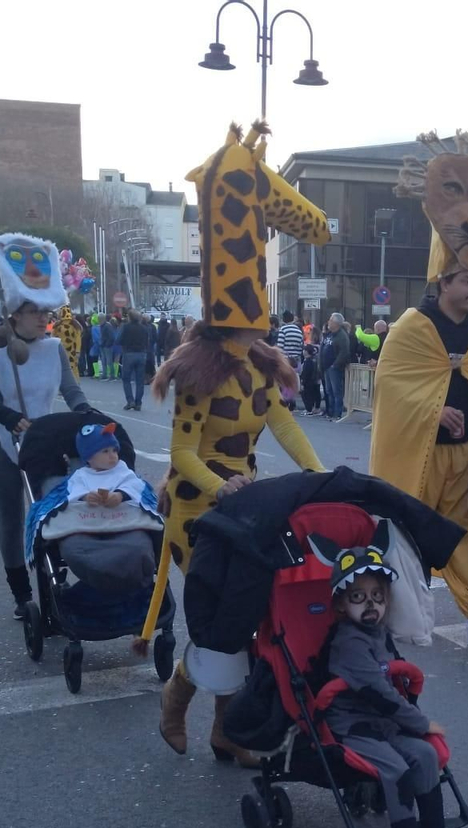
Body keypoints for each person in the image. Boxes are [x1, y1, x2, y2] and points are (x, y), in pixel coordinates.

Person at [144, 122, 328, 763]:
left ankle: (225, 729)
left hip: (243, 501)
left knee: (250, 616)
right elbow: (181, 456)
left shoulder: (262, 364)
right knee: (224, 618)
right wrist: (222, 488)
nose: (259, 327)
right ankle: (179, 694)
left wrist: (317, 474)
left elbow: (283, 424)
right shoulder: (199, 369)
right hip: (199, 506)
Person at [370, 129, 468, 641]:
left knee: (463, 534)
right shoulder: (412, 327)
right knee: (405, 531)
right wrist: (431, 411)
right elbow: (391, 387)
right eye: (467, 282)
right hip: (418, 455)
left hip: (462, 456)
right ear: (443, 282)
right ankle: (386, 612)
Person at [307, 524, 468, 828]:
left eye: (378, 597)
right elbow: (377, 692)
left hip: (382, 722)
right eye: (359, 597)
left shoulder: (379, 633)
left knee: (427, 755)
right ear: (341, 605)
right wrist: (420, 723)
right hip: (352, 724)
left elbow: (390, 683)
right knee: (396, 770)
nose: (371, 605)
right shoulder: (348, 643)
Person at [0, 233, 90, 617]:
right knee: (13, 520)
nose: (45, 318)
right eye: (35, 311)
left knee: (52, 512)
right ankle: (22, 595)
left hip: (43, 441)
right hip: (3, 442)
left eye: (47, 311)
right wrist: (4, 414)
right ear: (14, 312)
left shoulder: (54, 349)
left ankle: (55, 581)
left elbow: (72, 391)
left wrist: (86, 412)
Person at [56, 421, 159, 595]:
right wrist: (85, 497)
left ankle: (135, 581)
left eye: (114, 450)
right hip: (88, 526)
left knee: (140, 547)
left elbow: (136, 486)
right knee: (75, 550)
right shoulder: (81, 475)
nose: (113, 456)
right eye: (105, 451)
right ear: (89, 457)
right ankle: (100, 583)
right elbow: (71, 493)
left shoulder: (122, 470)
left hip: (123, 523)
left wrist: (120, 495)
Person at [320, 312, 352, 419]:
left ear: (336, 323)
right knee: (329, 391)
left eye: (331, 320)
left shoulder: (342, 336)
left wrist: (335, 365)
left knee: (336, 391)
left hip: (334, 368)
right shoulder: (329, 334)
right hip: (327, 367)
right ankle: (330, 412)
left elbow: (344, 352)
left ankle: (337, 413)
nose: (328, 322)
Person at [117, 312, 149, 411]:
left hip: (129, 353)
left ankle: (130, 401)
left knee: (126, 379)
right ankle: (138, 403)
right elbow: (147, 341)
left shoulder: (125, 327)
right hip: (141, 354)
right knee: (139, 380)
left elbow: (118, 340)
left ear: (129, 317)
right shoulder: (144, 328)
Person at [299, 342, 324, 414]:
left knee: (306, 395)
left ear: (306, 352)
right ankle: (312, 408)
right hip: (313, 381)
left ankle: (309, 409)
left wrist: (302, 382)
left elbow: (305, 373)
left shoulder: (308, 362)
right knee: (314, 394)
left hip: (307, 382)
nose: (303, 351)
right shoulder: (313, 360)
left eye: (304, 350)